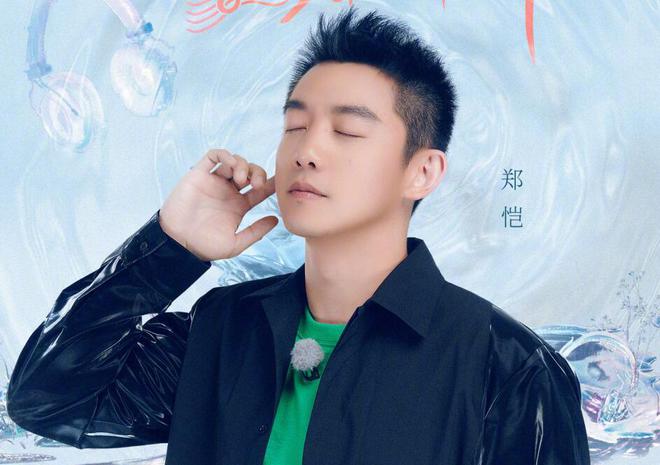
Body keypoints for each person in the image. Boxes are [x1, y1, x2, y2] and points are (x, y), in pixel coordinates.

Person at [6, 5, 591, 465]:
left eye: (347, 131)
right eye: (294, 125)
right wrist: (171, 246)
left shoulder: (509, 370)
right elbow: (46, 400)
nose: (306, 151)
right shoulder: (221, 332)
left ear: (423, 171)